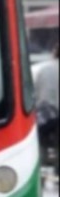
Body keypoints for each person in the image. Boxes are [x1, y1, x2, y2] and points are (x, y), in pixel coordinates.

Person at [35, 44, 59, 176]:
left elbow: (36, 92)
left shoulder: (44, 69)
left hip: (45, 116)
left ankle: (41, 164)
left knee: (40, 140)